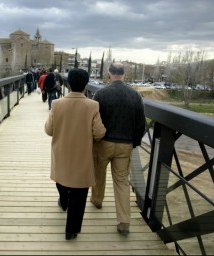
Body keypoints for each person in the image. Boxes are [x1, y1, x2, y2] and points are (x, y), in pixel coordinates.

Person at [45, 68, 106, 241]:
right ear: (86, 84)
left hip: (62, 153)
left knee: (62, 179)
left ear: (68, 83)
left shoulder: (57, 104)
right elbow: (99, 133)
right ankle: (71, 231)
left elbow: (49, 130)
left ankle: (64, 200)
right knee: (80, 193)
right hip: (82, 156)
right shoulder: (93, 105)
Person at [90, 62, 145, 236]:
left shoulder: (101, 94)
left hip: (103, 143)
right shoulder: (135, 95)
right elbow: (141, 123)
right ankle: (123, 221)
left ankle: (97, 199)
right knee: (122, 182)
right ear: (124, 75)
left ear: (109, 75)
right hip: (125, 145)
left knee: (99, 173)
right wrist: (134, 142)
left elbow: (93, 120)